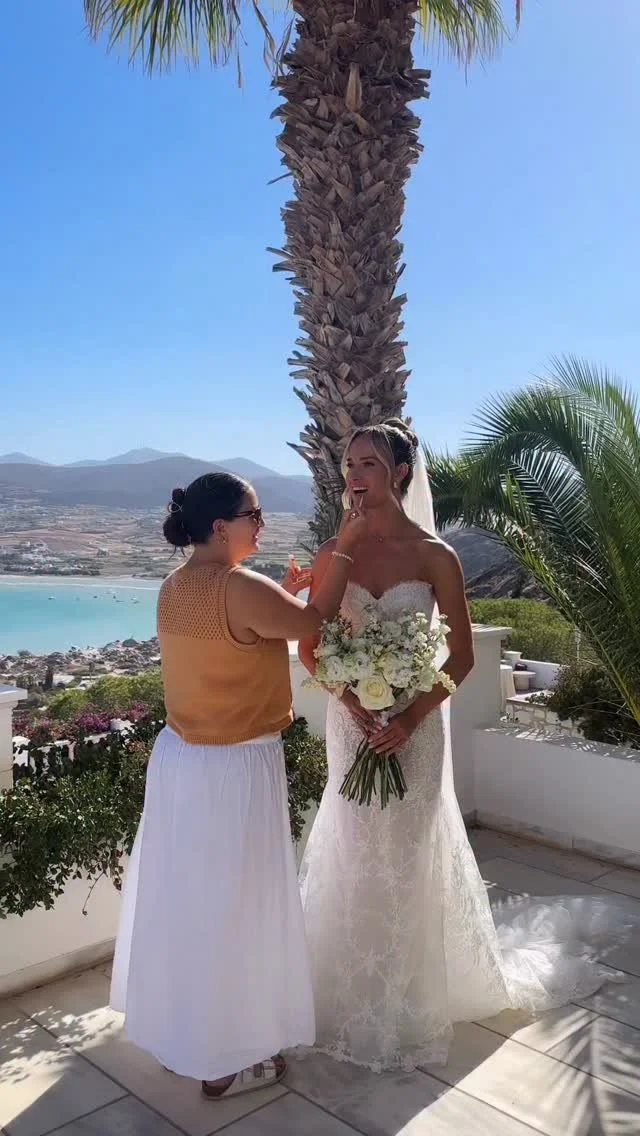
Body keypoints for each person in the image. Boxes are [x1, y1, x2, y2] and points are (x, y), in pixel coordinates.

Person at [298, 419, 636, 1072]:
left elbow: (460, 656)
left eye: (368, 464)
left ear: (400, 473)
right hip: (353, 726)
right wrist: (353, 702)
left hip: (416, 728)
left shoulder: (435, 555)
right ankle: (351, 986)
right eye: (348, 465)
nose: (355, 477)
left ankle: (411, 993)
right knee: (356, 842)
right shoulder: (332, 552)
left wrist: (408, 715)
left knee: (409, 850)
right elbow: (312, 645)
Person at [110, 471, 366, 1100]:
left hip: (181, 761)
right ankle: (223, 1060)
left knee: (189, 903)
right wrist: (345, 545)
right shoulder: (241, 587)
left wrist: (280, 594)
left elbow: (236, 635)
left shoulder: (174, 585)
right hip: (234, 765)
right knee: (236, 906)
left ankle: (183, 1035)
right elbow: (313, 621)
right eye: (255, 515)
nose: (262, 525)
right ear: (222, 527)